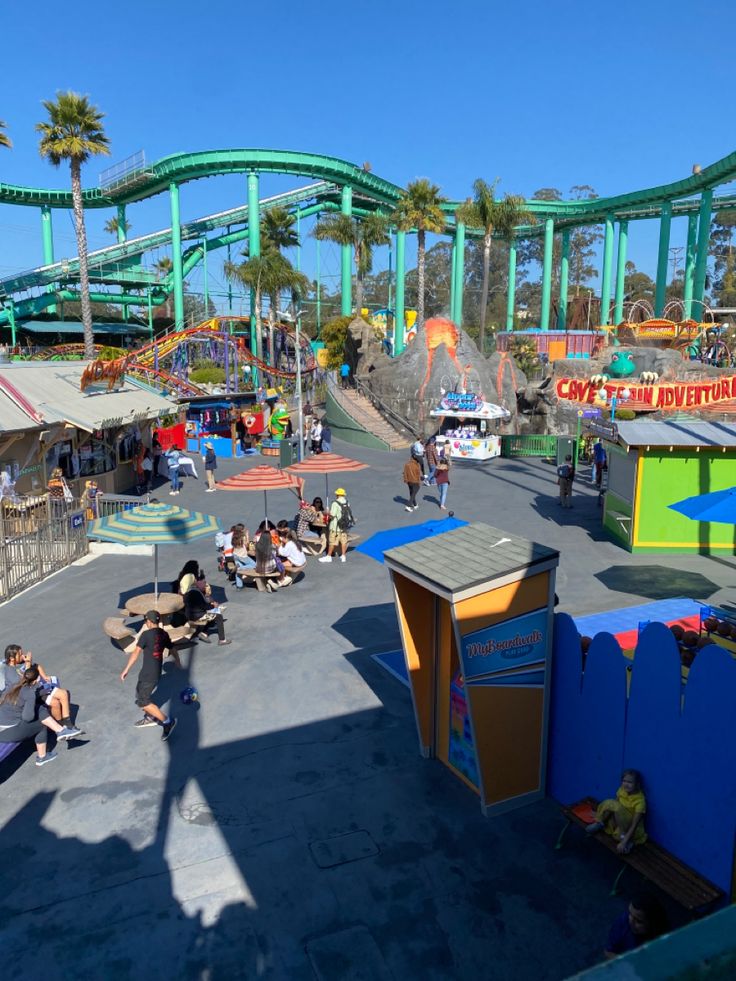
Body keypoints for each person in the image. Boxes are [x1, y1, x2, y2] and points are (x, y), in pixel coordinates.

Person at [0, 667, 81, 765]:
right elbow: (28, 717)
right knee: (41, 721)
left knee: (39, 710)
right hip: (8, 733)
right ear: (37, 679)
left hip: (2, 725)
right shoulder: (29, 693)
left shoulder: (13, 686)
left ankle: (60, 731)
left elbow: (24, 697)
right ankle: (43, 755)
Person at [120, 611, 178, 737]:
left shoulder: (146, 635)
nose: (145, 622)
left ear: (150, 622)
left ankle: (167, 721)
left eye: (145, 620)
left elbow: (136, 653)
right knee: (139, 694)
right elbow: (172, 648)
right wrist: (178, 662)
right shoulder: (163, 633)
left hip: (148, 674)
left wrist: (126, 670)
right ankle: (151, 717)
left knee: (143, 701)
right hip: (152, 672)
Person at [3, 644, 77, 728]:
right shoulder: (9, 671)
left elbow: (37, 666)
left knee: (63, 693)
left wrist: (44, 676)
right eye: (20, 654)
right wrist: (27, 664)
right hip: (29, 694)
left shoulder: (20, 662)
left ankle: (68, 724)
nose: (23, 656)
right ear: (12, 658)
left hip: (37, 689)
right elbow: (24, 683)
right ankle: (61, 727)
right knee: (55, 702)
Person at [586, 769, 647, 855]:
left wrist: (624, 842)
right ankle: (600, 823)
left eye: (630, 782)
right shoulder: (622, 790)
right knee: (611, 804)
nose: (626, 784)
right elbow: (613, 806)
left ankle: (628, 841)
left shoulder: (640, 801)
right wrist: (601, 815)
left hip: (630, 828)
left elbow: (634, 824)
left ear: (637, 784)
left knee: (615, 805)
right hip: (620, 823)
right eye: (624, 781)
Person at [604, 893, 668, 958]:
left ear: (652, 924)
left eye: (638, 921)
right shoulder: (623, 922)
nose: (630, 921)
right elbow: (608, 952)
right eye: (630, 913)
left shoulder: (661, 936)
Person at [318, 487, 354, 564]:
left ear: (337, 494)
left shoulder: (335, 503)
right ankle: (343, 556)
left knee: (332, 542)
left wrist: (326, 512)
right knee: (343, 541)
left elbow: (332, 515)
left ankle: (328, 556)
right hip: (344, 526)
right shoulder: (347, 502)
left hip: (335, 526)